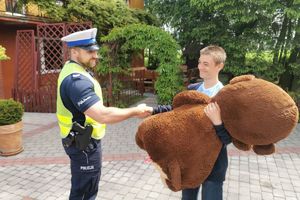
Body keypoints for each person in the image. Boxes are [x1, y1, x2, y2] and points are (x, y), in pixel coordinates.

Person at [57, 28, 150, 200]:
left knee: (83, 188)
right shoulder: (76, 81)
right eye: (90, 51)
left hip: (79, 140)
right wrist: (135, 111)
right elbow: (102, 115)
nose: (96, 56)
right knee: (85, 192)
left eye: (96, 51)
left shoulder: (72, 70)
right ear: (74, 51)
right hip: (84, 145)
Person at [146, 45, 232, 200]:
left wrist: (217, 122)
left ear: (220, 66)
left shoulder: (226, 97)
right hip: (190, 161)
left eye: (206, 64)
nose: (200, 67)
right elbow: (176, 110)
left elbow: (227, 140)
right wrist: (152, 111)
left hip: (214, 166)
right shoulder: (193, 89)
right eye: (200, 62)